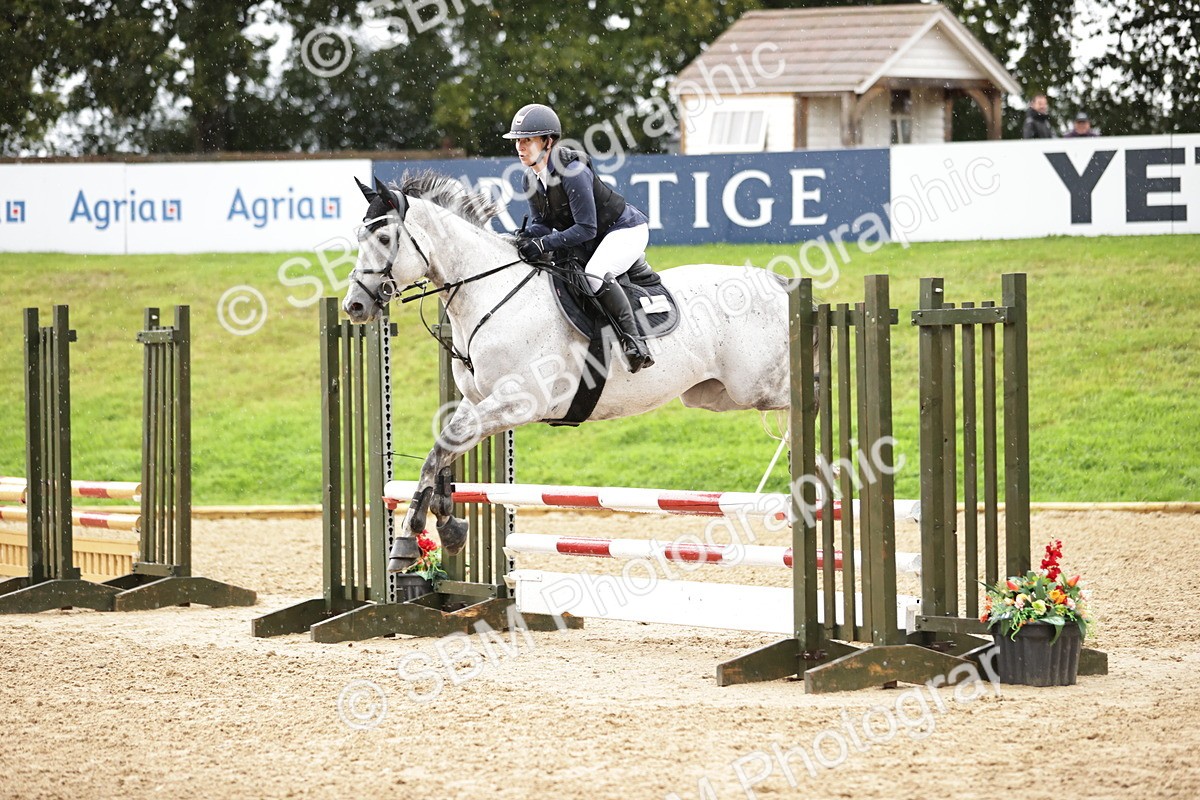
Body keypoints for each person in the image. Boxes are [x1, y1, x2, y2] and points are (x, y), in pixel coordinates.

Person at [503, 103, 654, 373]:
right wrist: (524, 239)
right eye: (517, 140)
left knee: (595, 273)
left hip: (624, 230)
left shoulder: (573, 172)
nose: (519, 147)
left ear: (548, 141)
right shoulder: (530, 178)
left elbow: (586, 228)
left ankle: (636, 344)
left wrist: (543, 243)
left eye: (527, 140)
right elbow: (541, 223)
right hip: (595, 237)